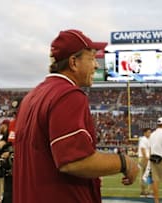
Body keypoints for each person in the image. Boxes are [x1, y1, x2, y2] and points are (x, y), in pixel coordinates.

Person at [13, 29, 139, 203]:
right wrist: (123, 162)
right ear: (73, 62)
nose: (96, 65)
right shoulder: (68, 94)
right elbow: (73, 161)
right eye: (92, 58)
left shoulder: (31, 97)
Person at [138, 127, 152, 197]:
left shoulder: (146, 139)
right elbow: (143, 150)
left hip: (144, 158)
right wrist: (146, 160)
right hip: (144, 158)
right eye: (148, 132)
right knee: (148, 176)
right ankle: (146, 192)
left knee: (144, 176)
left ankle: (143, 192)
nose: (150, 133)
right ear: (145, 133)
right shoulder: (143, 139)